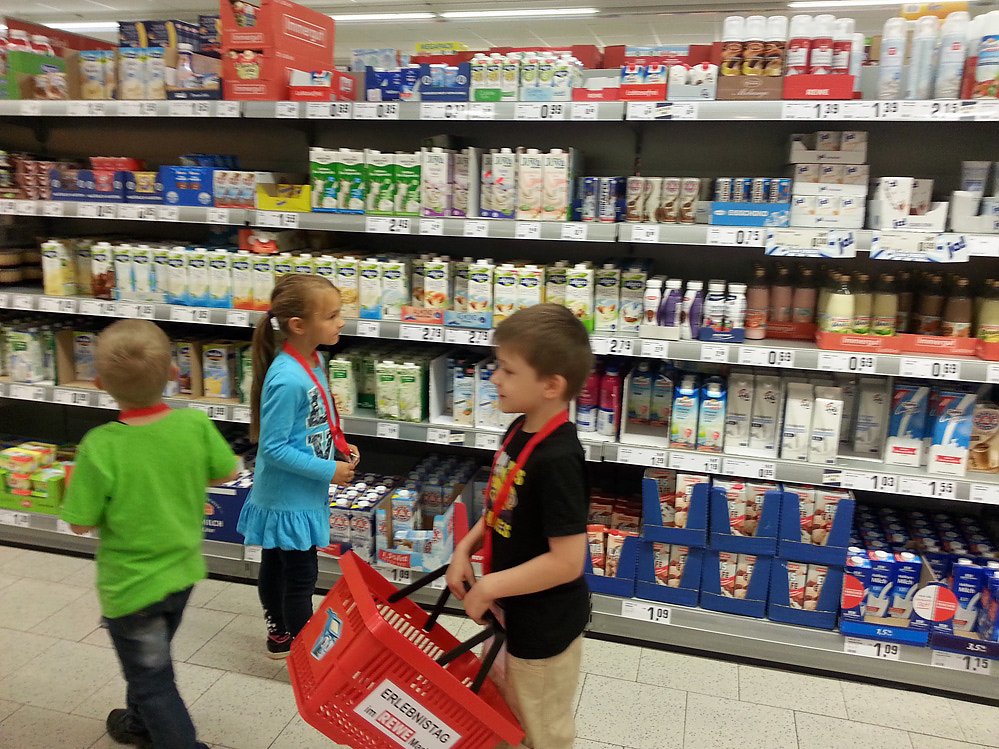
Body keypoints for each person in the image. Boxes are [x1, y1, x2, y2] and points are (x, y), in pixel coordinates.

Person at [62, 319, 240, 749]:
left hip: (131, 588)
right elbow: (228, 472)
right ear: (174, 374)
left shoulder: (100, 445)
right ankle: (138, 724)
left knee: (153, 678)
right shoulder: (194, 425)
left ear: (100, 383)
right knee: (149, 662)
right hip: (181, 574)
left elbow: (80, 522)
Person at [446, 304, 592, 749]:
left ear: (551, 386)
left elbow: (567, 562)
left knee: (540, 729)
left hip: (543, 628)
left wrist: (490, 586)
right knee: (505, 715)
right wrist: (464, 548)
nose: (494, 378)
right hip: (512, 611)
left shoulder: (559, 459)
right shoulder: (519, 429)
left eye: (508, 370)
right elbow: (501, 506)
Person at [237, 273, 359, 659]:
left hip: (299, 490)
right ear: (298, 325)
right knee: (301, 577)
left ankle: (279, 633)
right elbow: (273, 448)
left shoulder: (313, 359)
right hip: (287, 497)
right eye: (332, 316)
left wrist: (338, 446)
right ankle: (306, 655)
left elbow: (309, 424)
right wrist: (328, 471)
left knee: (276, 564)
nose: (341, 322)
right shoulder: (288, 379)